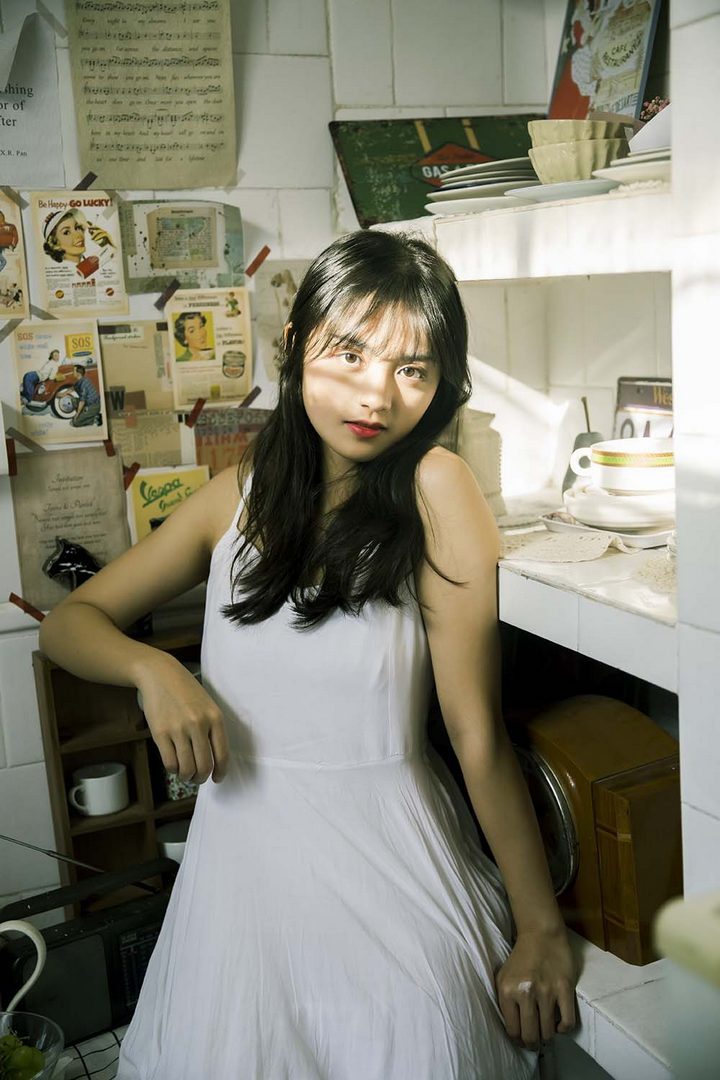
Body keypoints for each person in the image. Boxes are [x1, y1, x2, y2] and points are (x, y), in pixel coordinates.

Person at [39, 231, 577, 1079]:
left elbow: (478, 738)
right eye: (350, 353)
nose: (376, 395)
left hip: (388, 875)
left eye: (412, 369)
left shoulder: (437, 489)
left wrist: (539, 928)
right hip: (239, 888)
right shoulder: (240, 496)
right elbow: (71, 622)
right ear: (294, 345)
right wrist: (155, 670)